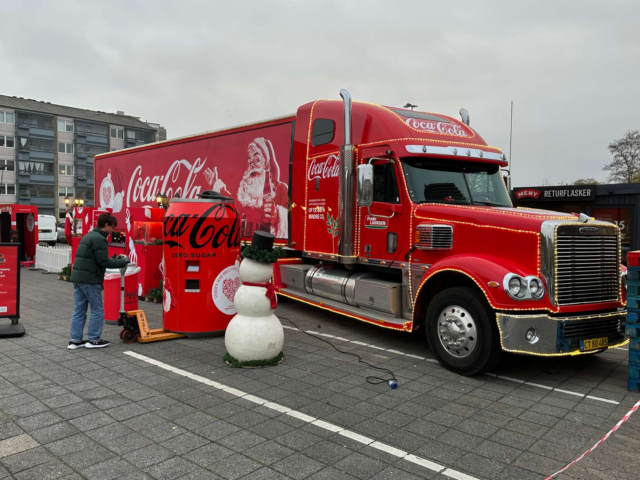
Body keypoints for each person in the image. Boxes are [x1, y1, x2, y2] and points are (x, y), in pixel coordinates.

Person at [68, 213, 129, 349]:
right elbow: (103, 261)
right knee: (97, 310)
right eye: (112, 227)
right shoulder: (99, 239)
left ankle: (75, 340)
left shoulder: (88, 236)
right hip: (90, 279)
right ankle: (93, 339)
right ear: (106, 225)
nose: (112, 230)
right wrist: (122, 261)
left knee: (79, 310)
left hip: (78, 278)